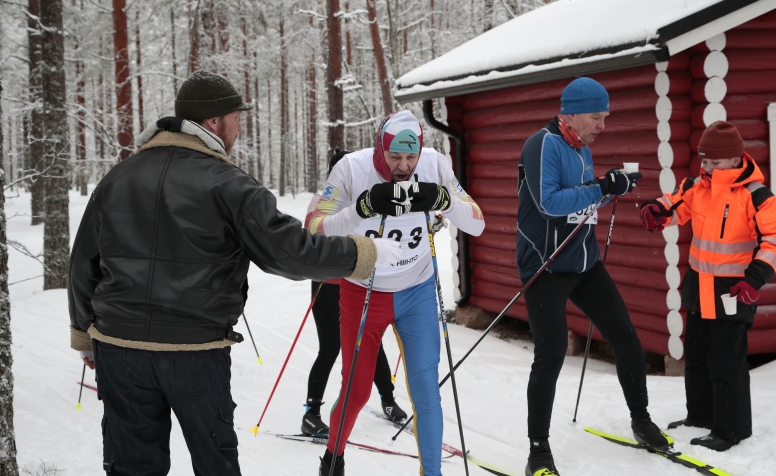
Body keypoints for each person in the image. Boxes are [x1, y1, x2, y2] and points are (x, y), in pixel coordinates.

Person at [68, 69, 401, 476]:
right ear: (212, 122)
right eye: (236, 118)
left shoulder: (118, 177)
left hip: (119, 351)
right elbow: (290, 252)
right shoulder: (230, 185)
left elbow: (83, 259)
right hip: (194, 353)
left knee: (132, 466)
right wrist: (364, 252)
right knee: (216, 464)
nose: (239, 127)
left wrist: (83, 332)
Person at [305, 110, 485, 476]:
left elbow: (477, 222)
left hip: (416, 291)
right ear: (379, 148)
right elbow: (314, 228)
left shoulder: (434, 164)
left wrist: (443, 200)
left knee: (426, 390)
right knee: (357, 391)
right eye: (394, 157)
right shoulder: (352, 170)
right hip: (364, 291)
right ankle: (333, 458)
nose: (404, 167)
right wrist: (363, 208)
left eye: (410, 157)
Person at [516, 77, 669, 476]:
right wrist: (601, 186)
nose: (602, 125)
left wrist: (611, 186)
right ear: (570, 112)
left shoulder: (581, 146)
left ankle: (641, 420)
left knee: (626, 337)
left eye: (606, 117)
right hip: (546, 266)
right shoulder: (543, 144)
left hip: (585, 263)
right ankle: (538, 450)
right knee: (550, 355)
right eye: (596, 117)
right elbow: (549, 203)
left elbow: (584, 195)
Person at [640, 121, 776, 451]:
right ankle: (701, 416)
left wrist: (756, 278)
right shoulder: (698, 184)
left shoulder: (757, 197)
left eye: (713, 162)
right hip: (699, 287)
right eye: (703, 161)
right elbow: (676, 203)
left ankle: (730, 430)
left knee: (726, 361)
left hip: (734, 290)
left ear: (735, 160)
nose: (706, 167)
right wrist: (658, 210)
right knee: (697, 356)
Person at [301, 150, 408, 437]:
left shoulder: (367, 198)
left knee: (373, 344)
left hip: (361, 282)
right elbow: (312, 234)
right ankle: (311, 413)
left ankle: (388, 399)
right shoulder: (322, 200)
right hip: (328, 284)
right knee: (330, 347)